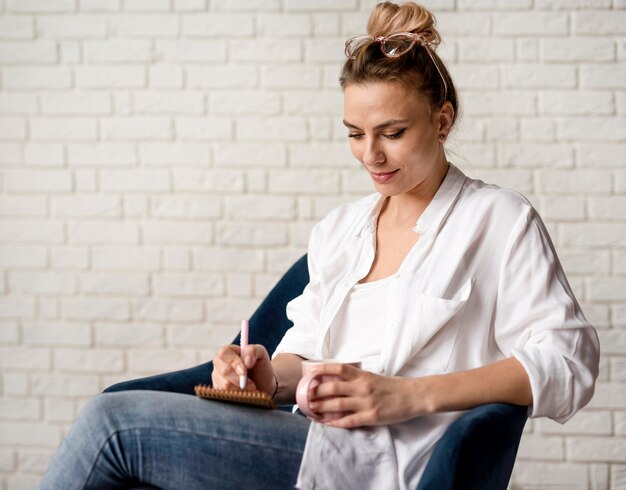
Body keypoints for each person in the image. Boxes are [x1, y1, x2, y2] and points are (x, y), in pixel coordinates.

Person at [39, 2, 600, 489]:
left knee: (110, 425)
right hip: (306, 439)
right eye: (355, 134)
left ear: (442, 119)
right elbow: (300, 356)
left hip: (398, 462)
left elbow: (567, 362)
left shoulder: (499, 219)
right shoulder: (340, 230)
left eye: (393, 132)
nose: (371, 155)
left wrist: (406, 395)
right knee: (113, 423)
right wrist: (265, 375)